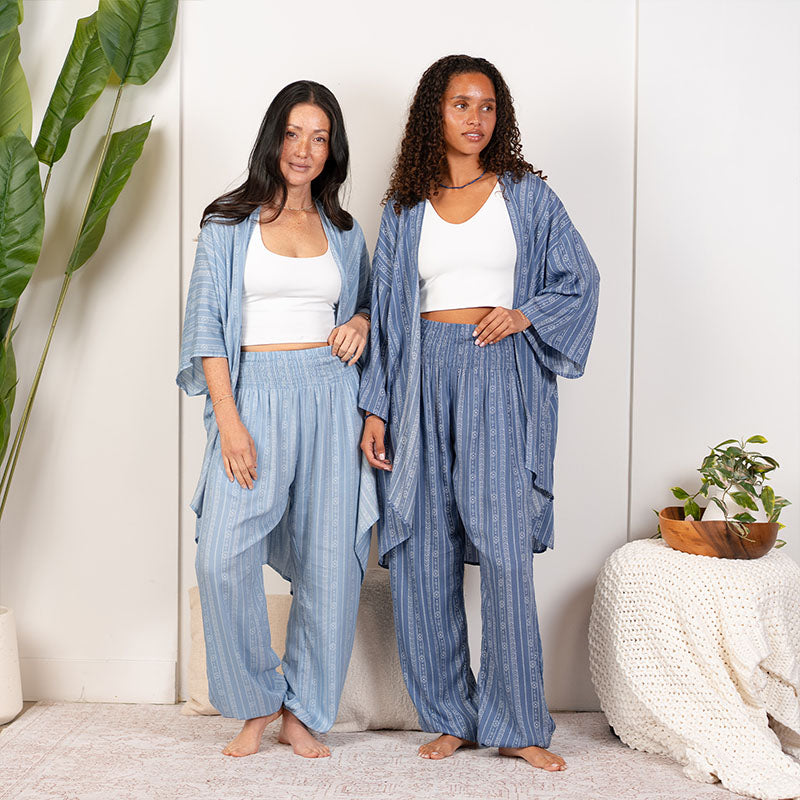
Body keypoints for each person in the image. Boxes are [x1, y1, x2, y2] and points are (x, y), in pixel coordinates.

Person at [359, 54, 599, 772]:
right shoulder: (404, 207)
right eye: (462, 104)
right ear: (435, 112)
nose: (476, 118)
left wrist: (525, 314)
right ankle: (451, 716)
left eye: (488, 106)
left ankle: (518, 721)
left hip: (498, 372)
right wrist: (376, 409)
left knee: (502, 547)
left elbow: (579, 279)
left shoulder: (526, 195)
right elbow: (389, 318)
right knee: (423, 550)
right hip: (420, 379)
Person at [177, 80, 377, 759]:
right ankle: (257, 698)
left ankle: (304, 711)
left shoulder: (344, 233)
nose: (304, 149)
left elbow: (367, 308)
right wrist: (229, 421)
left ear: (332, 150)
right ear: (273, 138)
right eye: (293, 134)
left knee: (331, 561)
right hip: (253, 397)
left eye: (319, 138)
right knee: (221, 555)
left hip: (331, 396)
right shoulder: (226, 224)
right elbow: (207, 328)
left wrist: (359, 322)